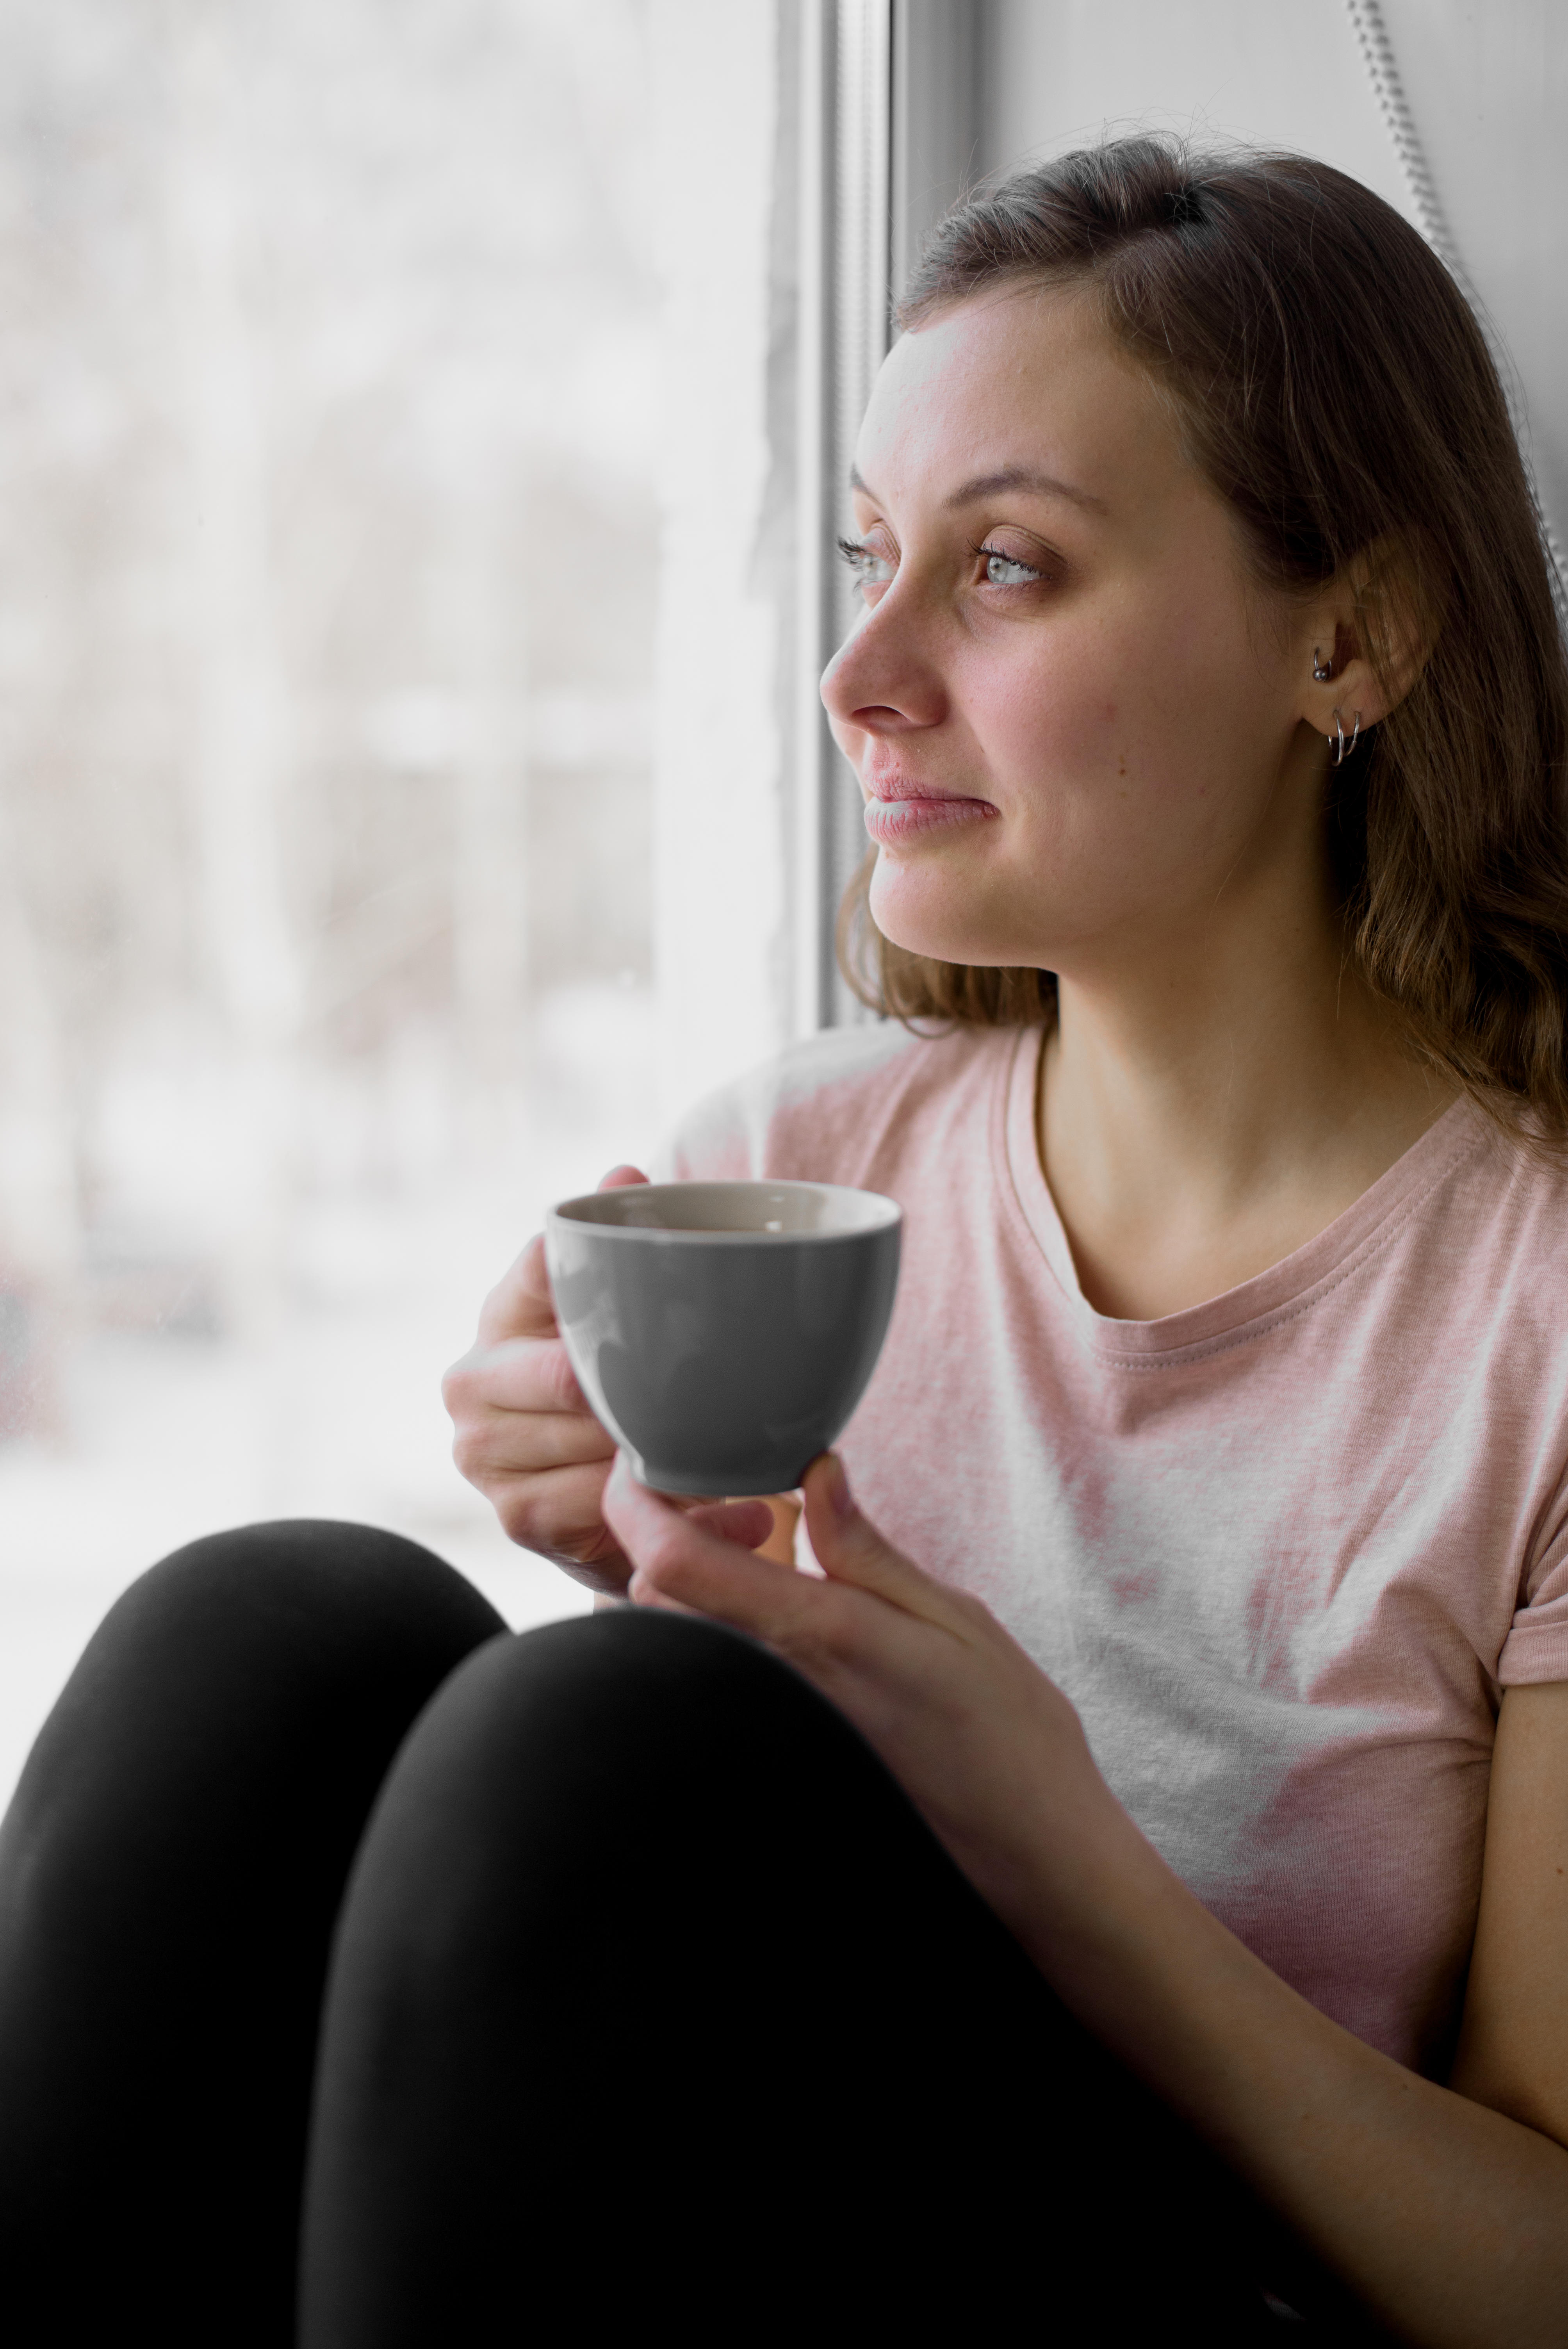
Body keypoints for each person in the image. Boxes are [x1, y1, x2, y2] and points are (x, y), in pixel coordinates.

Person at [2, 137, 1566, 2345]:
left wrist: (1051, 1843)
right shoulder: (803, 1157)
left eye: (1005, 567)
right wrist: (633, 1538)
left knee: (602, 1747)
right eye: (867, 556)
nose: (861, 670)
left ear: (1354, 637)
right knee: (271, 1630)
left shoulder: (1535, 1308)